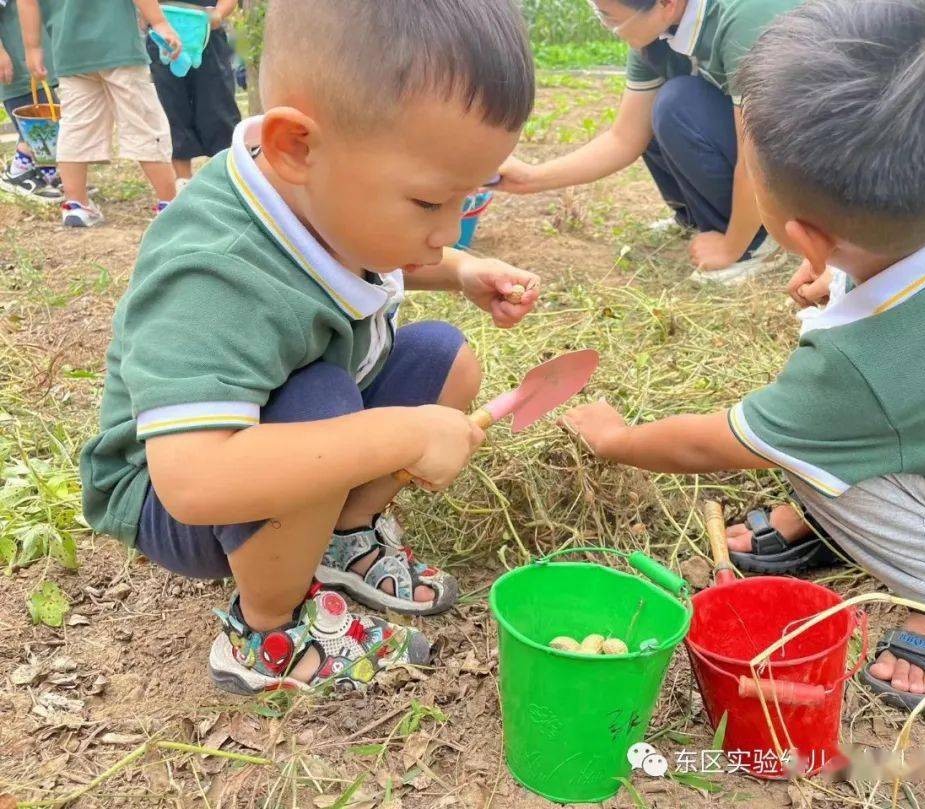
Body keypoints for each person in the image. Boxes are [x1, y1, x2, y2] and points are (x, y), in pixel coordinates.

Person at [561, 0, 925, 716]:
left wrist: (617, 439)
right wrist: (842, 271)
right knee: (859, 430)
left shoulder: (863, 368)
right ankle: (834, 528)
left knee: (813, 456)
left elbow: (725, 440)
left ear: (801, 234)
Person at [80, 0, 539, 694]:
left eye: (466, 199)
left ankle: (341, 538)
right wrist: (400, 434)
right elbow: (195, 479)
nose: (447, 229)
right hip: (173, 492)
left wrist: (461, 272)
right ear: (297, 145)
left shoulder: (317, 185)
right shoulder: (216, 269)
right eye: (427, 204)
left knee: (445, 357)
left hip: (283, 423)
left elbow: (362, 247)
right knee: (323, 398)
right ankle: (267, 630)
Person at [497, 0, 802, 285]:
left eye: (609, 17)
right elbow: (624, 138)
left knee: (677, 104)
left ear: (667, 4)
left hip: (802, 152)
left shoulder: (744, 19)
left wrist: (732, 246)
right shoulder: (655, 33)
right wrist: (530, 179)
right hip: (756, 144)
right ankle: (696, 218)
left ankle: (758, 240)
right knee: (658, 112)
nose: (606, 26)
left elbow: (757, 156)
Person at [18, 0, 180, 226]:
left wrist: (32, 48)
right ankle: (169, 204)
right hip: (118, 46)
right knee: (143, 120)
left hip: (69, 50)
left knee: (76, 125)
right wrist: (160, 22)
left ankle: (76, 205)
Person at [147, 1, 242, 183]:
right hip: (163, 34)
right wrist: (151, 16)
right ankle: (183, 181)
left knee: (219, 108)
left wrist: (219, 14)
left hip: (206, 33)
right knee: (172, 109)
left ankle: (225, 180)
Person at [0, 0, 60, 201]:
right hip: (11, 46)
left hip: (32, 42)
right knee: (33, 109)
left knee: (49, 107)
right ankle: (19, 171)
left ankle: (45, 170)